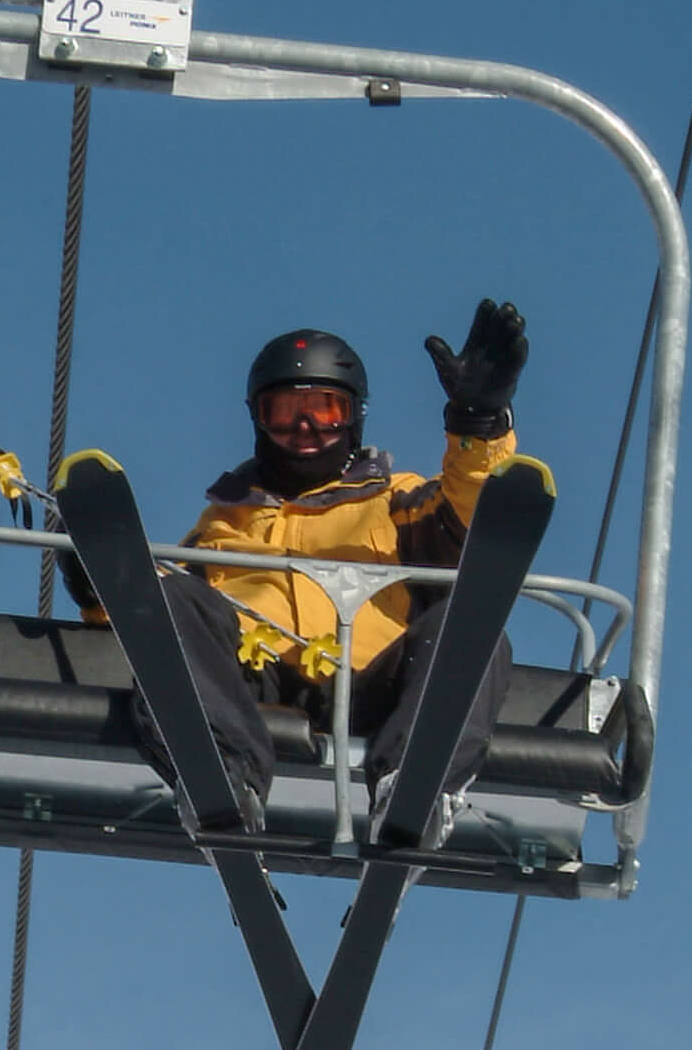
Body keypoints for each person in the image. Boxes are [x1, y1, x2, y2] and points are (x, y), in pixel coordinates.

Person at [132, 302, 535, 834]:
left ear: (353, 416)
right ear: (258, 417)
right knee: (174, 598)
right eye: (284, 411)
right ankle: (220, 774)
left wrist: (477, 423)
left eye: (325, 409)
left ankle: (415, 784)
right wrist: (98, 582)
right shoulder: (224, 525)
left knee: (470, 624)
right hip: (254, 685)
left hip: (375, 685)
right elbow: (150, 614)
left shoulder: (398, 500)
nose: (305, 427)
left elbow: (472, 515)